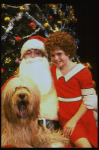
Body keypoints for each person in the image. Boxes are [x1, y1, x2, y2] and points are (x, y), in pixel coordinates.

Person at [44, 31, 98, 148]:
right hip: (65, 116)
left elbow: (88, 100)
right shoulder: (53, 70)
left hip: (82, 115)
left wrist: (73, 121)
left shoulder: (83, 72)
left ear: (68, 52)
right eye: (53, 55)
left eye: (59, 54)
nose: (56, 58)